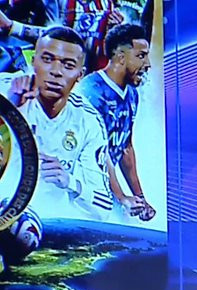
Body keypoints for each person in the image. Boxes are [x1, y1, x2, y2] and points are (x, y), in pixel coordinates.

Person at [2, 26, 113, 220]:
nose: (55, 71)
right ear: (33, 61)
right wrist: (8, 110)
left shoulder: (88, 121)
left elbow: (104, 208)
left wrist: (69, 181)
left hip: (48, 224)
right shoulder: (6, 90)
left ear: (80, 75)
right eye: (47, 59)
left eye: (68, 65)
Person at [77, 22, 152, 221]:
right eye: (141, 56)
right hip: (83, 194)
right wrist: (120, 198)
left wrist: (140, 198)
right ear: (120, 57)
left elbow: (125, 147)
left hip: (107, 189)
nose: (148, 64)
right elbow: (97, 153)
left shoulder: (132, 94)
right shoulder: (90, 92)